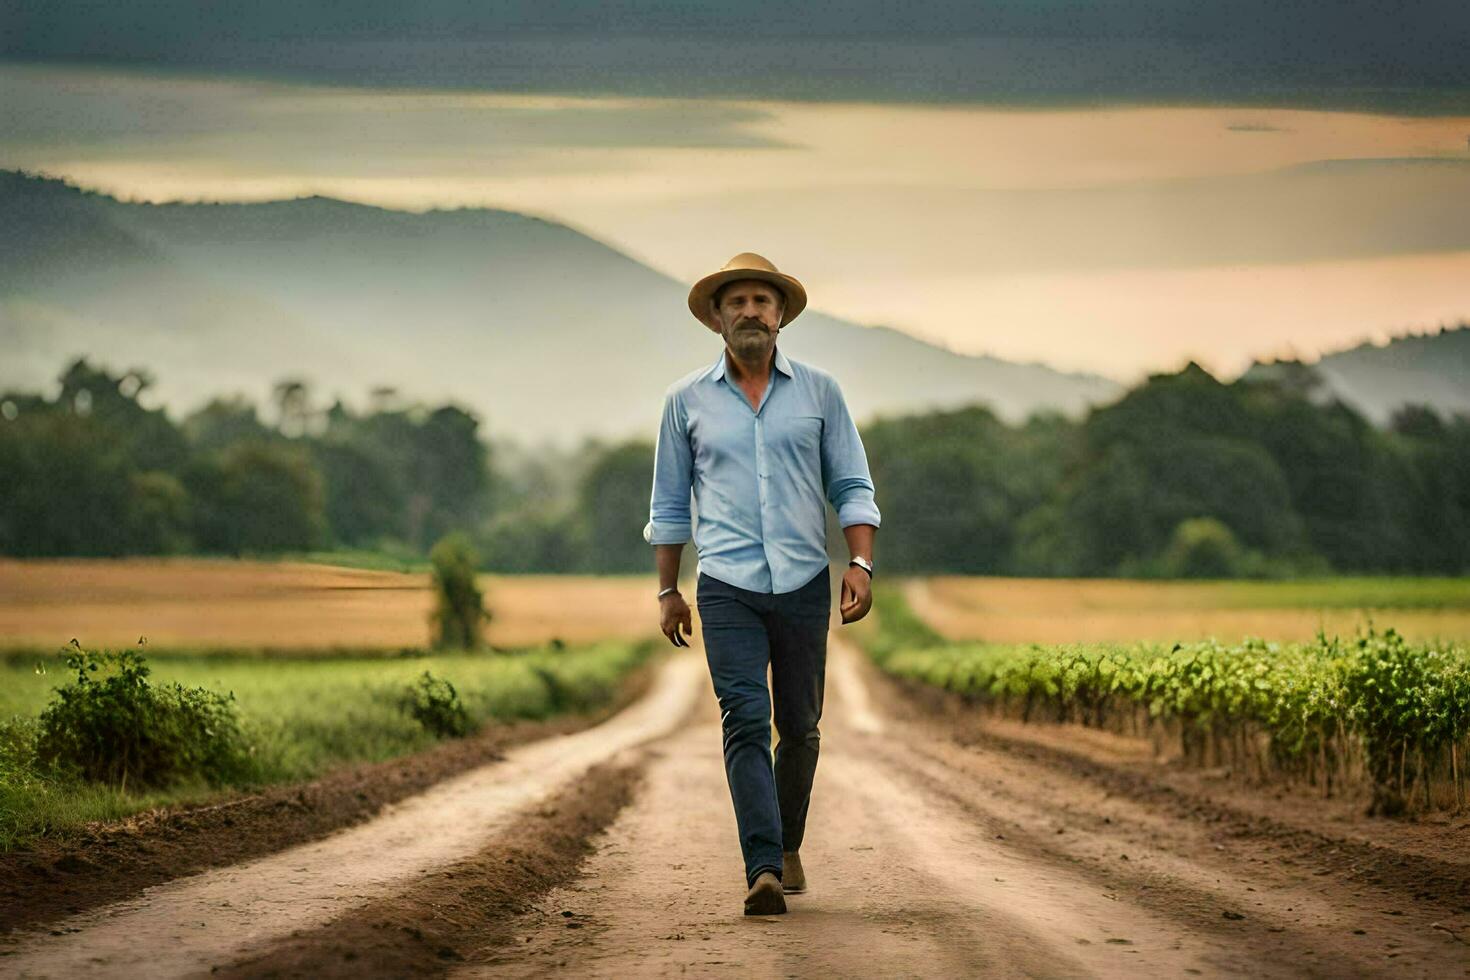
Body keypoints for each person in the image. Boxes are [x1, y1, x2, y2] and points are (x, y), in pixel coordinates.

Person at [643, 252, 880, 916]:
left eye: (762, 301)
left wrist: (860, 566)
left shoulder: (820, 393)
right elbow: (668, 505)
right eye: (738, 302)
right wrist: (668, 591)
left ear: (781, 317)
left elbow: (853, 486)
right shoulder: (684, 401)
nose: (751, 311)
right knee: (745, 719)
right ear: (717, 318)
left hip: (805, 581)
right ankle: (763, 867)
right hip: (725, 586)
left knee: (800, 727)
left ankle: (787, 839)